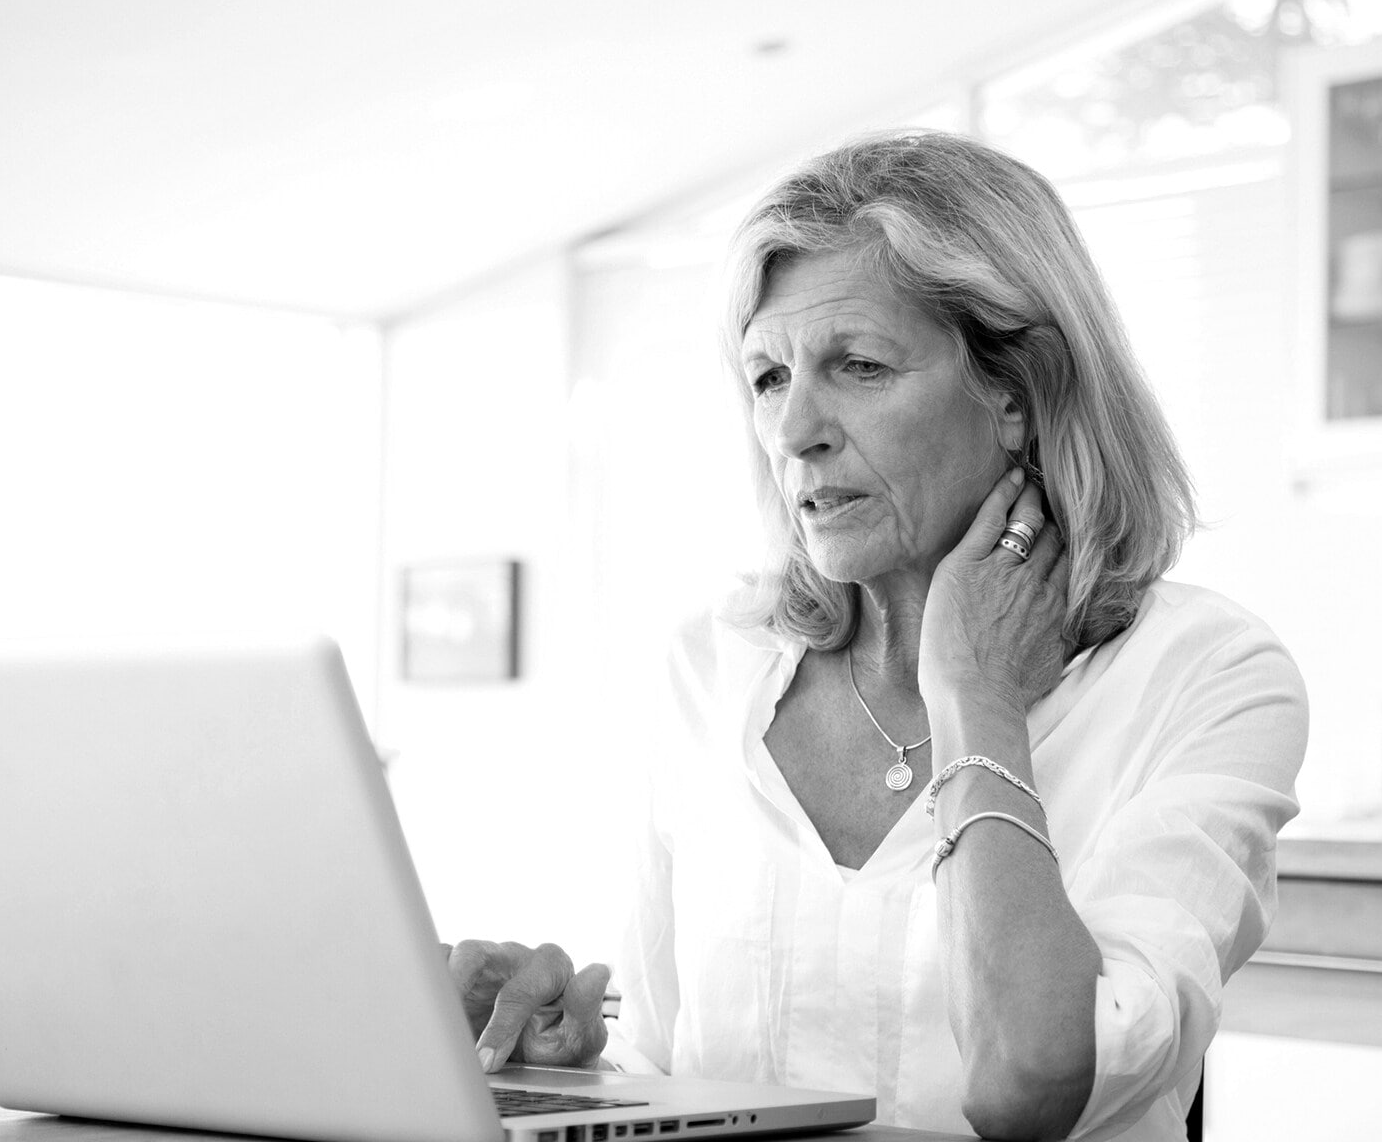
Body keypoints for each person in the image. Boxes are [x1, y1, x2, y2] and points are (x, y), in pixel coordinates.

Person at [445, 130, 1308, 1142]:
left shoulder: (1204, 676)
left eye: (856, 364)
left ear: (1017, 395)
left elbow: (1031, 1083)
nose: (792, 429)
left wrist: (974, 698)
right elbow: (666, 1062)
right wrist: (568, 1059)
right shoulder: (708, 665)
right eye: (768, 377)